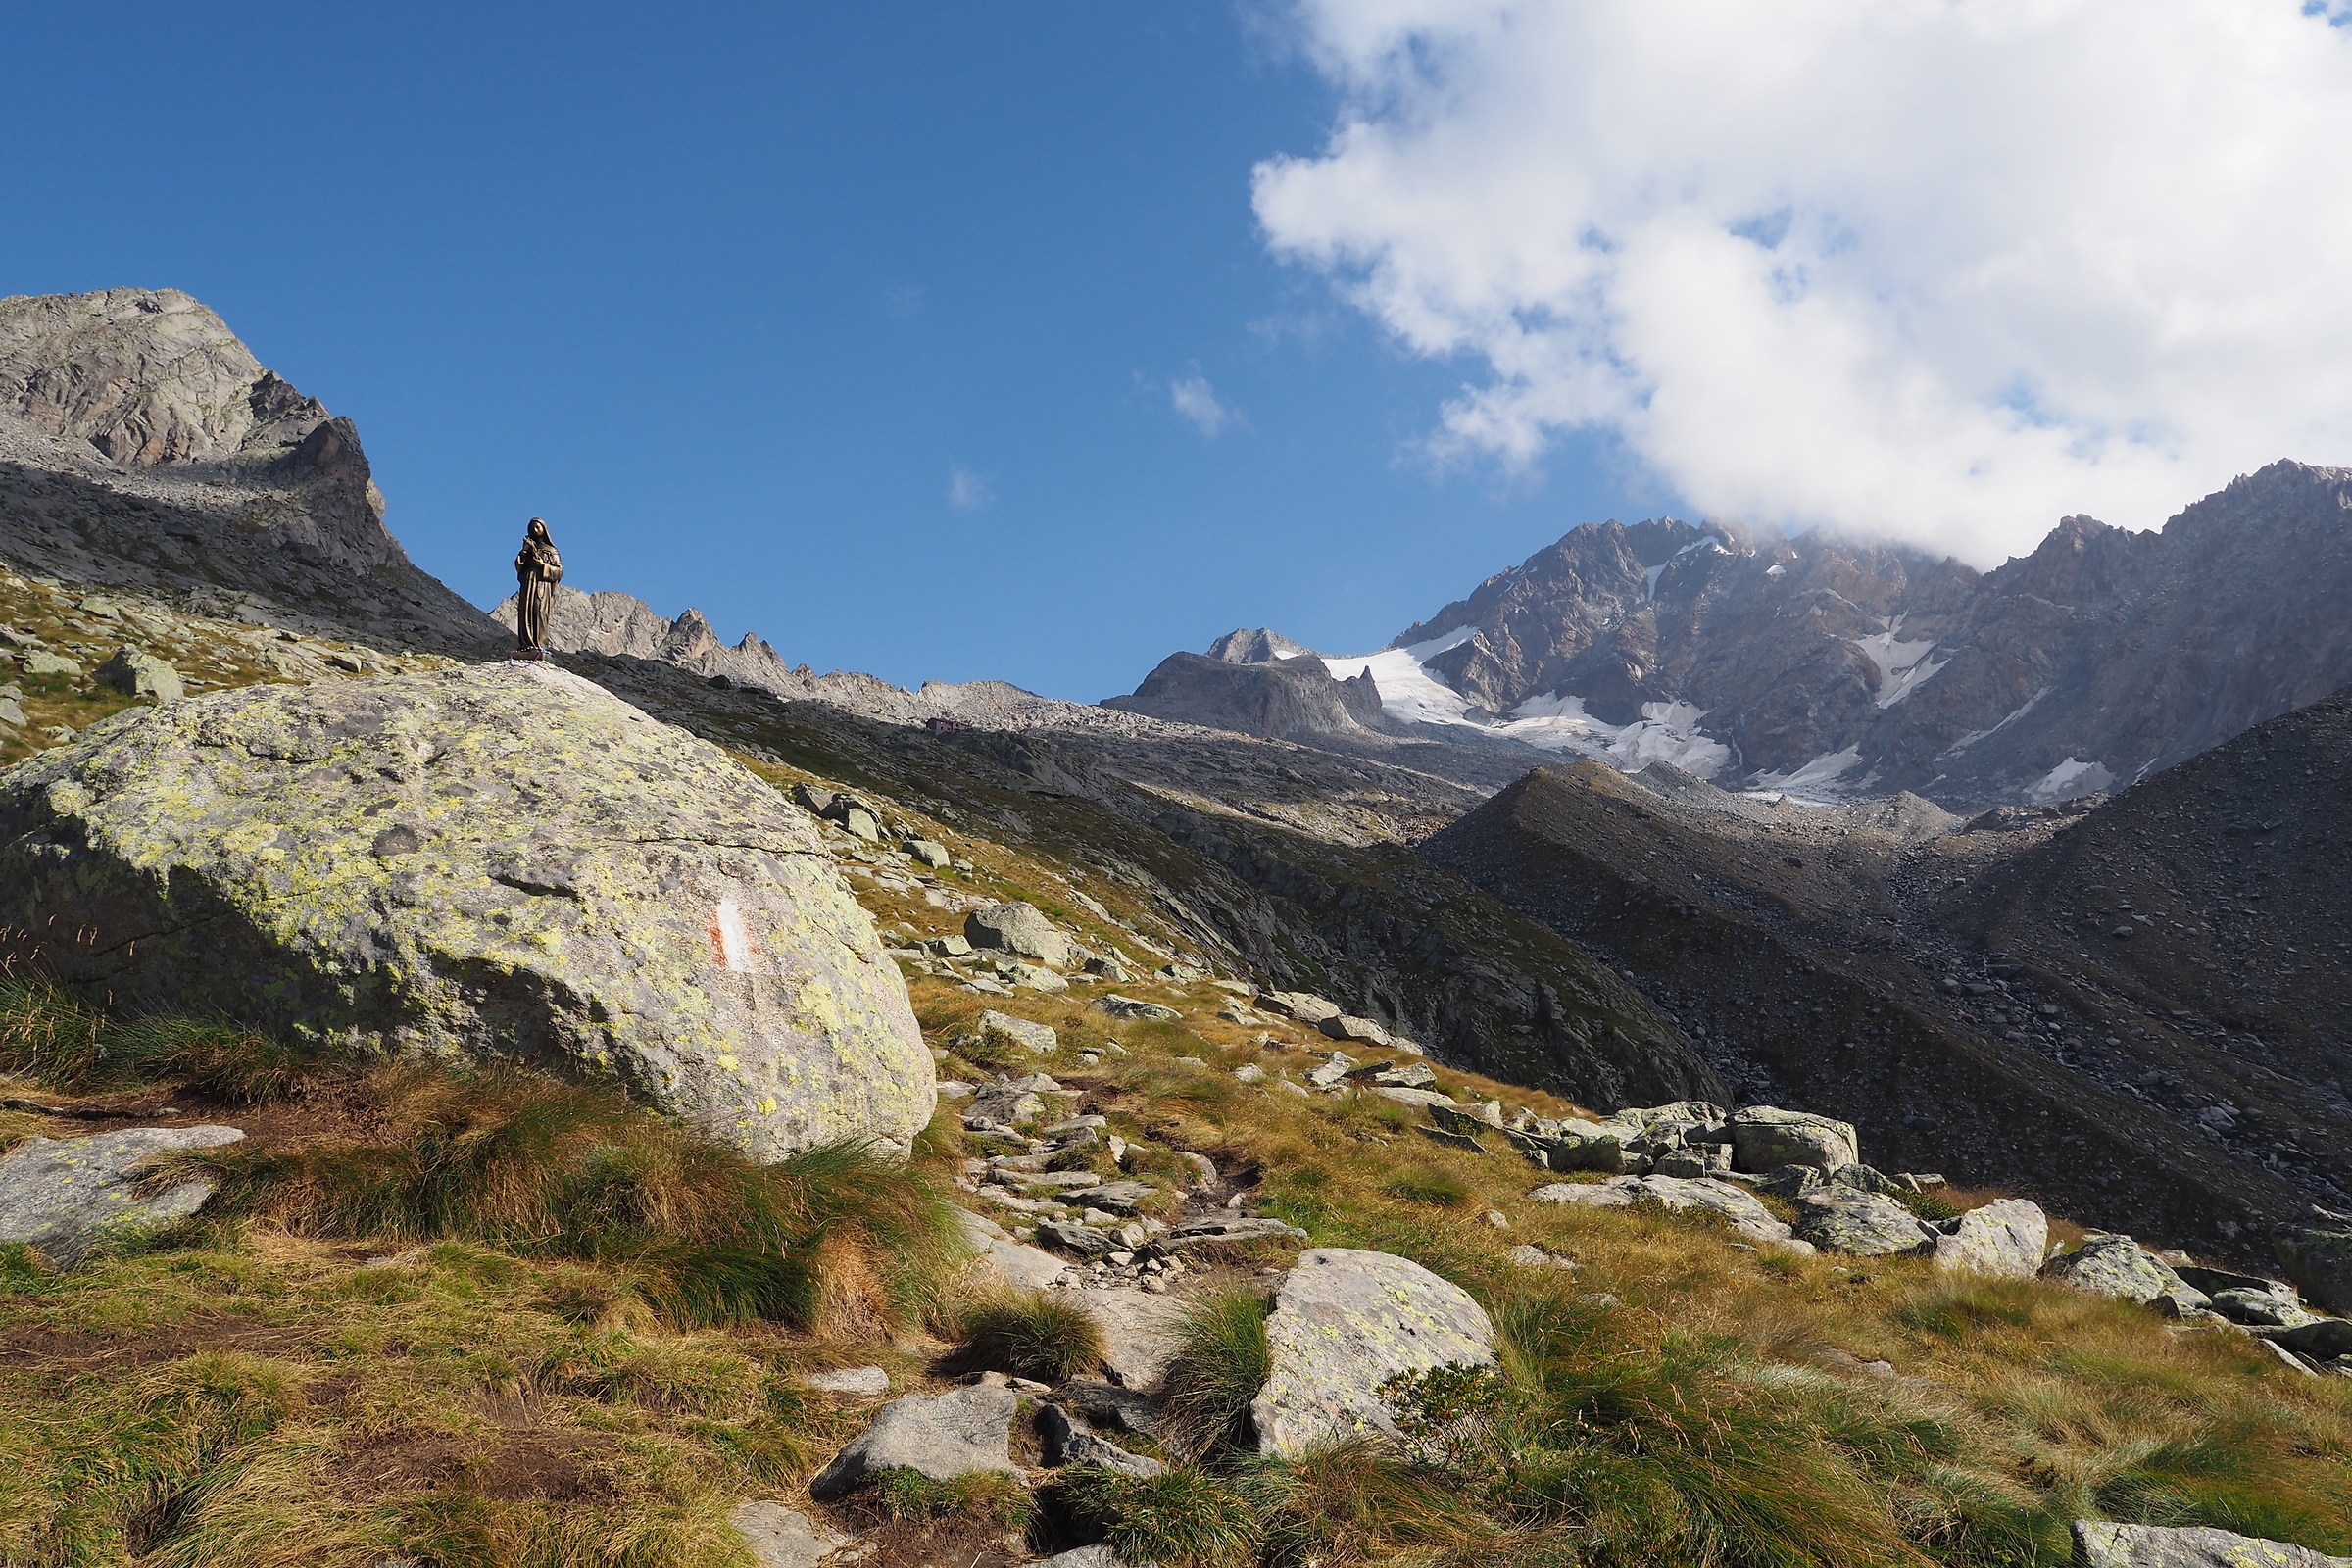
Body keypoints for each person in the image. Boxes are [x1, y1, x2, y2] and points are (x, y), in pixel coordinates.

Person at [514, 517, 562, 656]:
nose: (535, 530)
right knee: (525, 611)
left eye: (538, 527)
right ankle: (526, 644)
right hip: (528, 584)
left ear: (544, 530)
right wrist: (524, 551)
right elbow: (519, 566)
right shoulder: (527, 550)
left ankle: (539, 644)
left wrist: (542, 565)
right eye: (532, 528)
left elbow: (558, 571)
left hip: (541, 586)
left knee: (538, 611)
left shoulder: (551, 551)